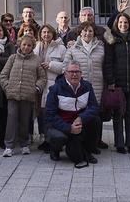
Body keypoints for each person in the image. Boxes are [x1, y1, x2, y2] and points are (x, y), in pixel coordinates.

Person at [45, 62, 100, 167]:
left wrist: (81, 118)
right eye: (71, 72)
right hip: (61, 125)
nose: (74, 74)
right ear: (65, 74)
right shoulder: (55, 89)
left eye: (77, 72)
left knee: (96, 120)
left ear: (81, 73)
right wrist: (69, 128)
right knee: (59, 138)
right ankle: (55, 149)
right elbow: (50, 115)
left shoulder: (87, 86)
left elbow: (94, 107)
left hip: (78, 122)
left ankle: (88, 151)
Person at [0, 35, 47, 157]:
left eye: (29, 45)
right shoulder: (12, 58)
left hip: (28, 95)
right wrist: (7, 87)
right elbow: (3, 75)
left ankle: (24, 144)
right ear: (20, 45)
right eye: (24, 44)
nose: (26, 47)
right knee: (11, 120)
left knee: (25, 121)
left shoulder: (37, 60)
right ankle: (9, 146)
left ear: (33, 47)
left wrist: (36, 88)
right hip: (13, 94)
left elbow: (42, 77)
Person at [105, 13, 130, 153]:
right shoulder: (112, 41)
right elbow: (108, 63)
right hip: (118, 83)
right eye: (120, 22)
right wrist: (111, 81)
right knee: (118, 114)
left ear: (129, 24)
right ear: (116, 24)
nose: (123, 25)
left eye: (126, 22)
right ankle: (119, 143)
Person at [63, 22, 105, 153]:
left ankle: (93, 145)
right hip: (79, 90)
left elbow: (105, 66)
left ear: (94, 33)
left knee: (94, 117)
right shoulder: (72, 49)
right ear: (80, 33)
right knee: (80, 115)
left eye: (90, 31)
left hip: (97, 87)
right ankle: (81, 145)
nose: (87, 33)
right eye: (85, 31)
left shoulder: (101, 47)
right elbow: (65, 68)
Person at [35, 24, 66, 145]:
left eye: (48, 32)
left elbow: (66, 66)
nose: (46, 35)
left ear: (53, 34)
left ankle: (52, 139)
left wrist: (51, 65)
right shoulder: (37, 46)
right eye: (44, 32)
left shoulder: (61, 48)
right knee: (40, 113)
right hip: (39, 83)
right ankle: (43, 137)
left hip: (53, 85)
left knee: (51, 112)